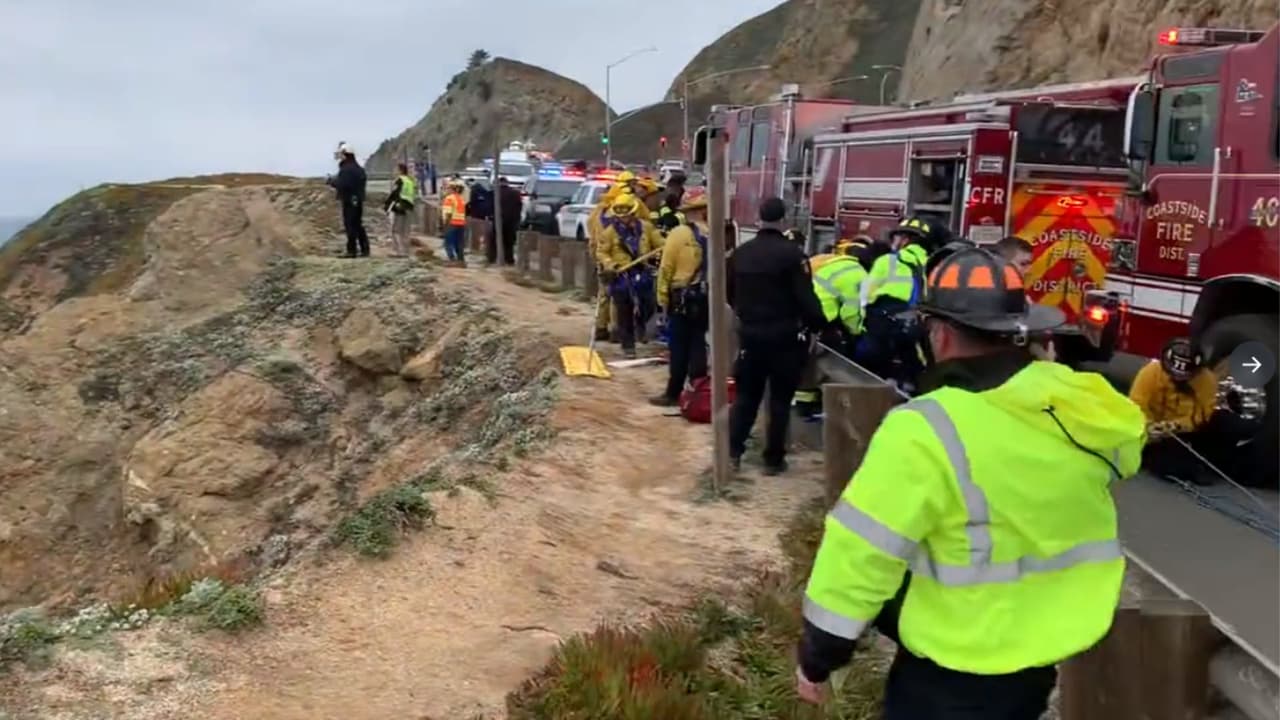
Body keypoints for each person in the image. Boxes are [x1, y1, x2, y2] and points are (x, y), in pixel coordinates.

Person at [795, 247, 1146, 719]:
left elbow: (861, 554)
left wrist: (820, 656)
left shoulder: (925, 428)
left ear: (939, 335)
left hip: (954, 664)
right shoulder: (1074, 407)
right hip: (1042, 656)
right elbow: (1122, 453)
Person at [726, 197, 826, 474]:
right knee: (780, 400)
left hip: (750, 335)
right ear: (783, 220)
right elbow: (806, 298)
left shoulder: (741, 254)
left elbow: (729, 293)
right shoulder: (793, 255)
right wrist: (819, 324)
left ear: (759, 217)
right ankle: (773, 459)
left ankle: (733, 453)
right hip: (785, 338)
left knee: (746, 397)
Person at [1129, 337, 1235, 484]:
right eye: (1174, 374)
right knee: (1171, 466)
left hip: (1183, 431)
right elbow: (1136, 405)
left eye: (1185, 375)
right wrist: (1149, 426)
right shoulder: (1150, 372)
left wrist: (1176, 426)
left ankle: (1212, 463)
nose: (1178, 378)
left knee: (1227, 423)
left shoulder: (1207, 380)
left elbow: (1203, 414)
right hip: (1151, 432)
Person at [857, 217, 938, 391]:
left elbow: (865, 296)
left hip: (884, 323)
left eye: (896, 237)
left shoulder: (888, 261)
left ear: (905, 239)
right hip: (917, 324)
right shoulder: (933, 265)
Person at [793, 242, 869, 417]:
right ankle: (830, 403)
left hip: (804, 314)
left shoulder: (833, 264)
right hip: (823, 319)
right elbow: (851, 312)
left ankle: (804, 403)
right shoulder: (858, 274)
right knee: (834, 361)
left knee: (808, 360)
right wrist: (857, 333)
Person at [651, 195, 710, 406]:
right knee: (698, 344)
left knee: (679, 348)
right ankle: (699, 392)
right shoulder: (718, 235)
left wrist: (662, 300)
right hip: (705, 298)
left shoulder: (680, 234)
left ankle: (673, 393)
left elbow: (666, 268)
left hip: (682, 298)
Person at [595, 193, 664, 359]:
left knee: (648, 304)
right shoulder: (609, 233)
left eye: (626, 214)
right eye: (620, 215)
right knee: (623, 310)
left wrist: (665, 246)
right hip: (621, 275)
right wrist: (612, 265)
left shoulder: (646, 228)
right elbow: (602, 252)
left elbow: (660, 244)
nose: (623, 218)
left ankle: (641, 328)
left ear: (633, 212)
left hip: (643, 273)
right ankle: (628, 346)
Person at [330, 143, 370, 258]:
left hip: (349, 200)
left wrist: (332, 182)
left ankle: (351, 251)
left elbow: (343, 184)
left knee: (350, 225)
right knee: (358, 225)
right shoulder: (359, 169)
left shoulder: (346, 169)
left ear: (345, 154)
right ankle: (364, 249)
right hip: (358, 200)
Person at [383, 162, 417, 258]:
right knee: (406, 231)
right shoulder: (410, 181)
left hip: (400, 207)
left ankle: (399, 251)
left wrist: (387, 206)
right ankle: (406, 252)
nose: (394, 171)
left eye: (395, 169)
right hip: (409, 207)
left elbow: (394, 194)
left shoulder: (400, 180)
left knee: (396, 231)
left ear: (400, 170)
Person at [487, 177, 521, 265]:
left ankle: (492, 259)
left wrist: (491, 216)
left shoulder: (495, 193)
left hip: (498, 221)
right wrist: (517, 220)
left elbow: (490, 207)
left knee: (494, 241)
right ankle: (509, 260)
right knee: (509, 242)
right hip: (511, 222)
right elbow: (519, 207)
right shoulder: (515, 193)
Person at [440, 179, 469, 265]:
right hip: (461, 224)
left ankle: (452, 259)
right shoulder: (460, 198)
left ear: (451, 189)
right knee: (459, 243)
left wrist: (445, 225)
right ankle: (460, 259)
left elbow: (448, 213)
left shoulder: (449, 199)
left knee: (448, 243)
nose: (446, 190)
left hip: (452, 223)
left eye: (448, 188)